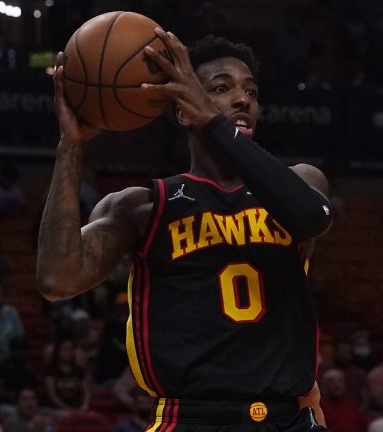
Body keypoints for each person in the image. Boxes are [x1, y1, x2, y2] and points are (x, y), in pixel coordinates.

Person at [37, 30, 333, 430]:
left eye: (251, 91)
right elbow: (58, 278)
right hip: (192, 418)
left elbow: (311, 218)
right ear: (182, 109)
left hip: (288, 419)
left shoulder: (301, 182)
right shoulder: (144, 206)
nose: (243, 99)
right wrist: (70, 147)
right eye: (220, 88)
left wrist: (211, 118)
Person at [44, 338, 90, 413]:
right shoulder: (51, 371)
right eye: (65, 349)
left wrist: (85, 405)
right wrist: (68, 409)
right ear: (58, 351)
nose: (68, 352)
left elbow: (86, 391)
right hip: (57, 409)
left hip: (78, 408)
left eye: (71, 349)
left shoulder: (79, 370)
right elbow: (52, 395)